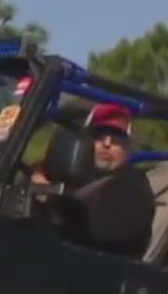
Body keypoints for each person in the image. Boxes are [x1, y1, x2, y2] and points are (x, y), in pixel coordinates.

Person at [33, 103, 155, 259]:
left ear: (127, 149)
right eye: (99, 137)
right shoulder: (68, 170)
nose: (107, 144)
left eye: (116, 139)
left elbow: (102, 228)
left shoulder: (134, 186)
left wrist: (50, 198)